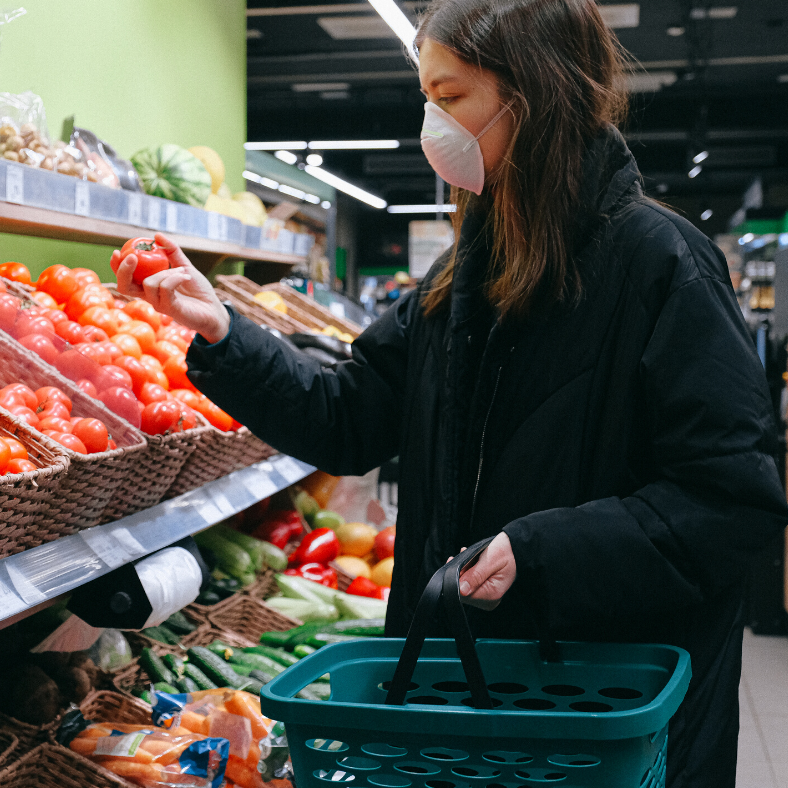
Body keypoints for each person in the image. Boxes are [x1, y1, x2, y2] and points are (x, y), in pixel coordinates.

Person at [112, 1, 788, 785]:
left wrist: (541, 552)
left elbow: (731, 502)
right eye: (426, 97)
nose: (431, 122)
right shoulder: (465, 273)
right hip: (468, 695)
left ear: (533, 97)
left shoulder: (662, 265)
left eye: (451, 96)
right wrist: (225, 334)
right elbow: (349, 418)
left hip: (604, 711)